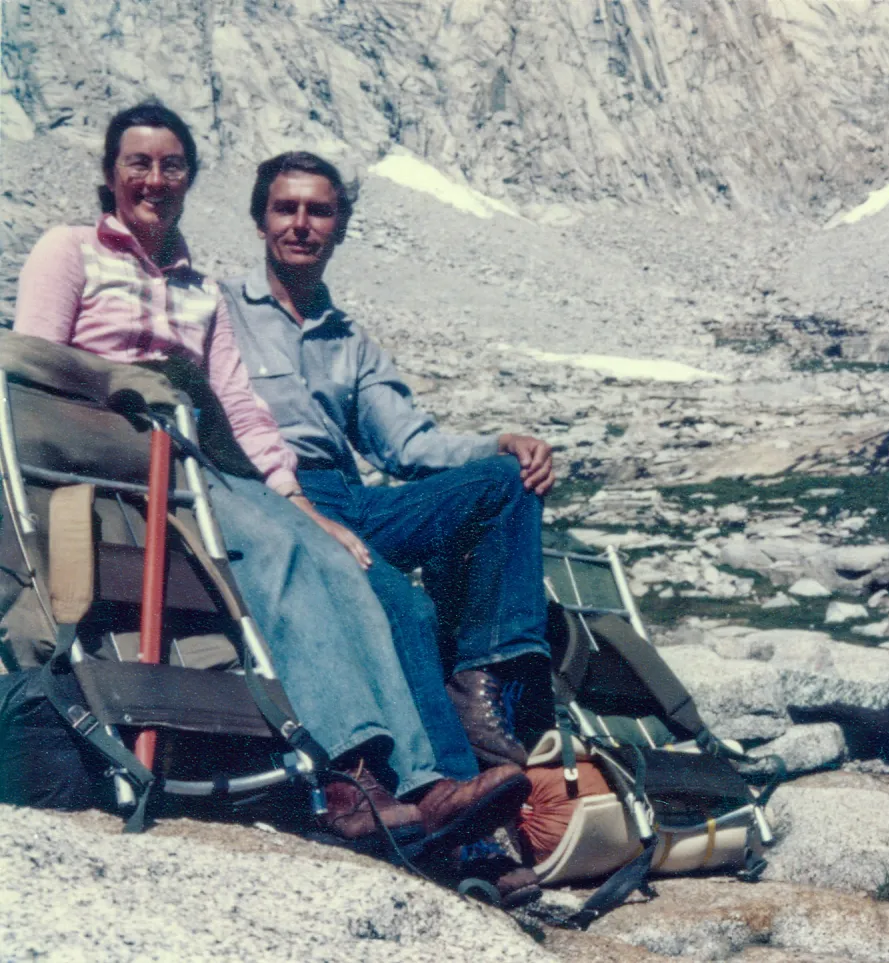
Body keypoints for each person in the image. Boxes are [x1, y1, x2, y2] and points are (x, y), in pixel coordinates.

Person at [13, 101, 528, 852]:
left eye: (171, 165)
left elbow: (243, 409)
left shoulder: (200, 290)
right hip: (113, 460)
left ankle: (423, 782)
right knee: (280, 560)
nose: (155, 179)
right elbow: (31, 369)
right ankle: (348, 776)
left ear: (188, 178)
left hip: (201, 459)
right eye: (138, 163)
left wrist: (301, 504)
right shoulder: (70, 251)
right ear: (110, 173)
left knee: (339, 564)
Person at [222, 151, 555, 768]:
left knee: (505, 483)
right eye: (285, 208)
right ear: (260, 219)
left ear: (340, 227)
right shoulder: (222, 312)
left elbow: (408, 445)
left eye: (319, 211)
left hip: (352, 497)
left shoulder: (348, 338)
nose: (301, 223)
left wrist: (497, 443)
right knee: (404, 604)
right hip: (277, 499)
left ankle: (480, 686)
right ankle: (451, 784)